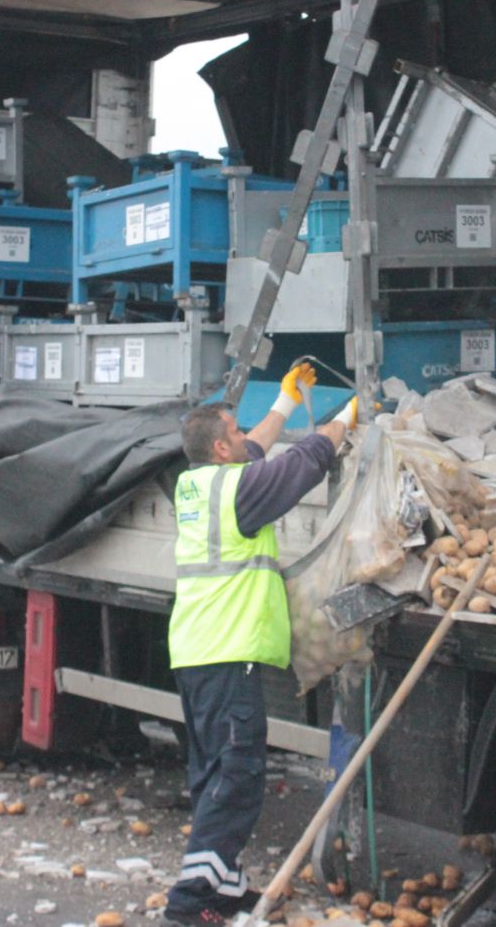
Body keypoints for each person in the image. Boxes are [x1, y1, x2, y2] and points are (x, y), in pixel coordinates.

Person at [165, 363, 355, 925]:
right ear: (223, 447)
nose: (249, 438)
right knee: (238, 777)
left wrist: (286, 405)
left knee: (212, 778)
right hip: (230, 655)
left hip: (197, 654)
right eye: (239, 431)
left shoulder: (197, 484)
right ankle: (187, 905)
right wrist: (343, 422)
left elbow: (253, 456)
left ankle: (224, 892)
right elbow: (299, 466)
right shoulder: (240, 493)